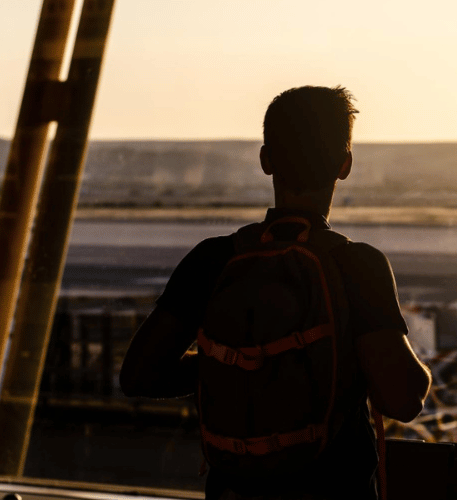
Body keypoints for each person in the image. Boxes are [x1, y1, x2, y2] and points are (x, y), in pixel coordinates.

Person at [120, 85, 432, 500]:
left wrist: (238, 365)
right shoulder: (357, 266)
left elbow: (140, 375)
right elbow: (402, 399)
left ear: (266, 161)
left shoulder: (213, 259)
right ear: (345, 165)